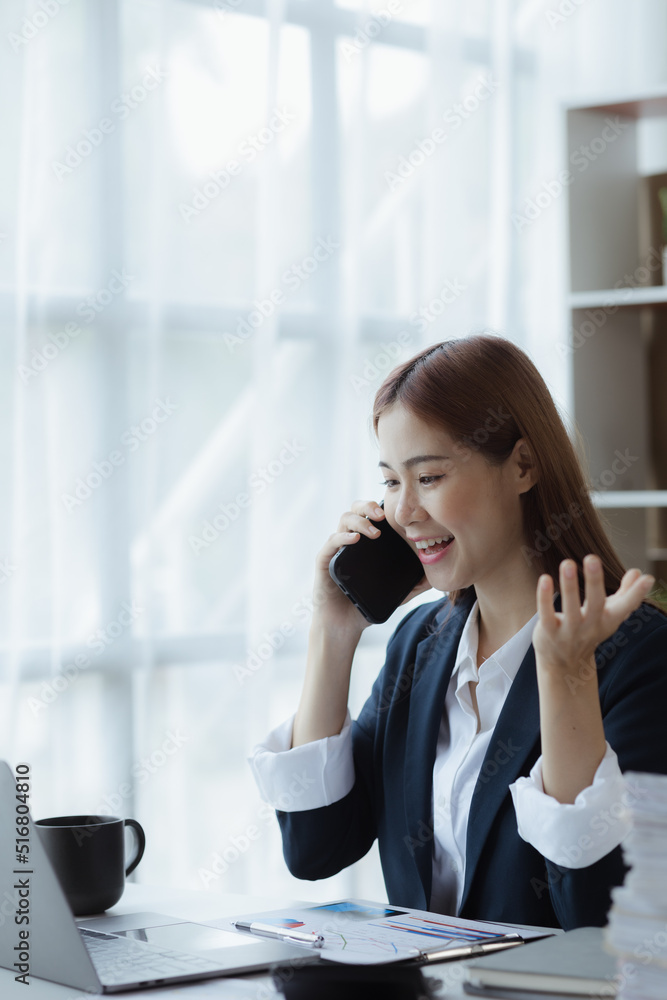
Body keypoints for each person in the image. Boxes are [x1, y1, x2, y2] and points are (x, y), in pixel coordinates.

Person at [249, 334, 667, 930]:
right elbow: (317, 849)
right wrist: (332, 631)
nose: (404, 512)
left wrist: (565, 675)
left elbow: (600, 913)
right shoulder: (421, 645)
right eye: (392, 481)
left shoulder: (639, 655)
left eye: (430, 477)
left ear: (523, 465)